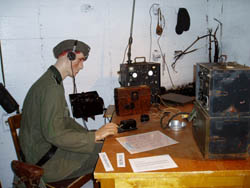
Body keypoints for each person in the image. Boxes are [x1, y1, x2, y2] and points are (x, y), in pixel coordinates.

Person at [19, 39, 118, 183]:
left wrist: (92, 135)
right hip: (46, 162)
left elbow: (64, 121)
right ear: (69, 56)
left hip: (47, 152)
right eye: (80, 60)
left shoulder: (52, 81)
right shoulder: (51, 88)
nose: (82, 66)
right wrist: (94, 137)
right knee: (110, 152)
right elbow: (55, 135)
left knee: (106, 144)